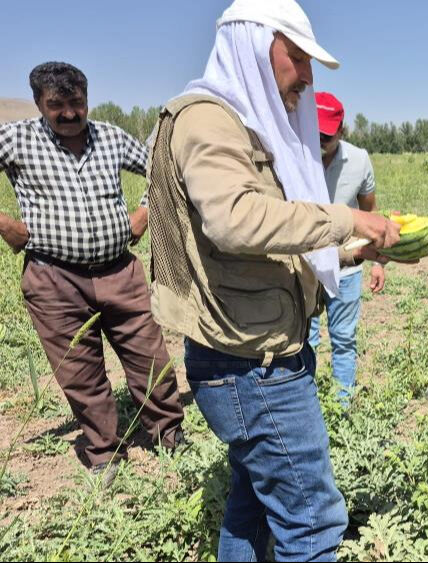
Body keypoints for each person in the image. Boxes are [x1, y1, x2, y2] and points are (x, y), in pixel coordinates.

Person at [145, 0, 402, 560]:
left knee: (254, 504)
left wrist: (356, 252)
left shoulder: (242, 123)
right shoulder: (207, 119)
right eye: (298, 56)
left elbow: (265, 252)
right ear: (254, 44)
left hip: (252, 358)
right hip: (252, 366)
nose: (307, 76)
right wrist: (346, 218)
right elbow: (235, 220)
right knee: (312, 520)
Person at [0, 61, 184, 486]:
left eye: (76, 103)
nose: (68, 113)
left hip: (120, 270)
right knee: (81, 374)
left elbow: (161, 169)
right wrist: (7, 227)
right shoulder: (17, 139)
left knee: (150, 357)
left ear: (87, 99)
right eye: (56, 105)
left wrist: (143, 213)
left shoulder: (111, 137)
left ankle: (168, 435)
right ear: (38, 104)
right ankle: (103, 451)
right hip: (53, 278)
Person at [308, 92, 385, 401]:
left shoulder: (358, 160)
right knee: (304, 342)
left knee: (343, 339)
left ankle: (343, 408)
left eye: (327, 134)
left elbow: (369, 214)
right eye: (314, 133)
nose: (320, 140)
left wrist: (379, 261)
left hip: (347, 266)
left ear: (341, 131)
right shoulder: (294, 156)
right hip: (306, 265)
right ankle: (307, 408)